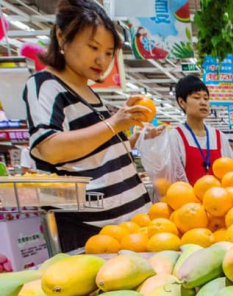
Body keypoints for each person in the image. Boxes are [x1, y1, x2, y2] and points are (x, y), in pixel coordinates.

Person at [23, 0, 152, 251]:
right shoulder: (46, 85)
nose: (101, 59)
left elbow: (95, 152)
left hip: (127, 227)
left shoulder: (89, 92)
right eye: (93, 47)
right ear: (61, 37)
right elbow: (48, 147)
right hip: (91, 233)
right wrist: (116, 122)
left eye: (108, 52)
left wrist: (133, 135)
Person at [168, 75, 233, 185]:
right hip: (187, 200)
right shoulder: (175, 136)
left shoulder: (219, 136)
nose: (203, 102)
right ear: (182, 102)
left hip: (220, 200)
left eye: (206, 98)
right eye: (196, 97)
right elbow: (174, 178)